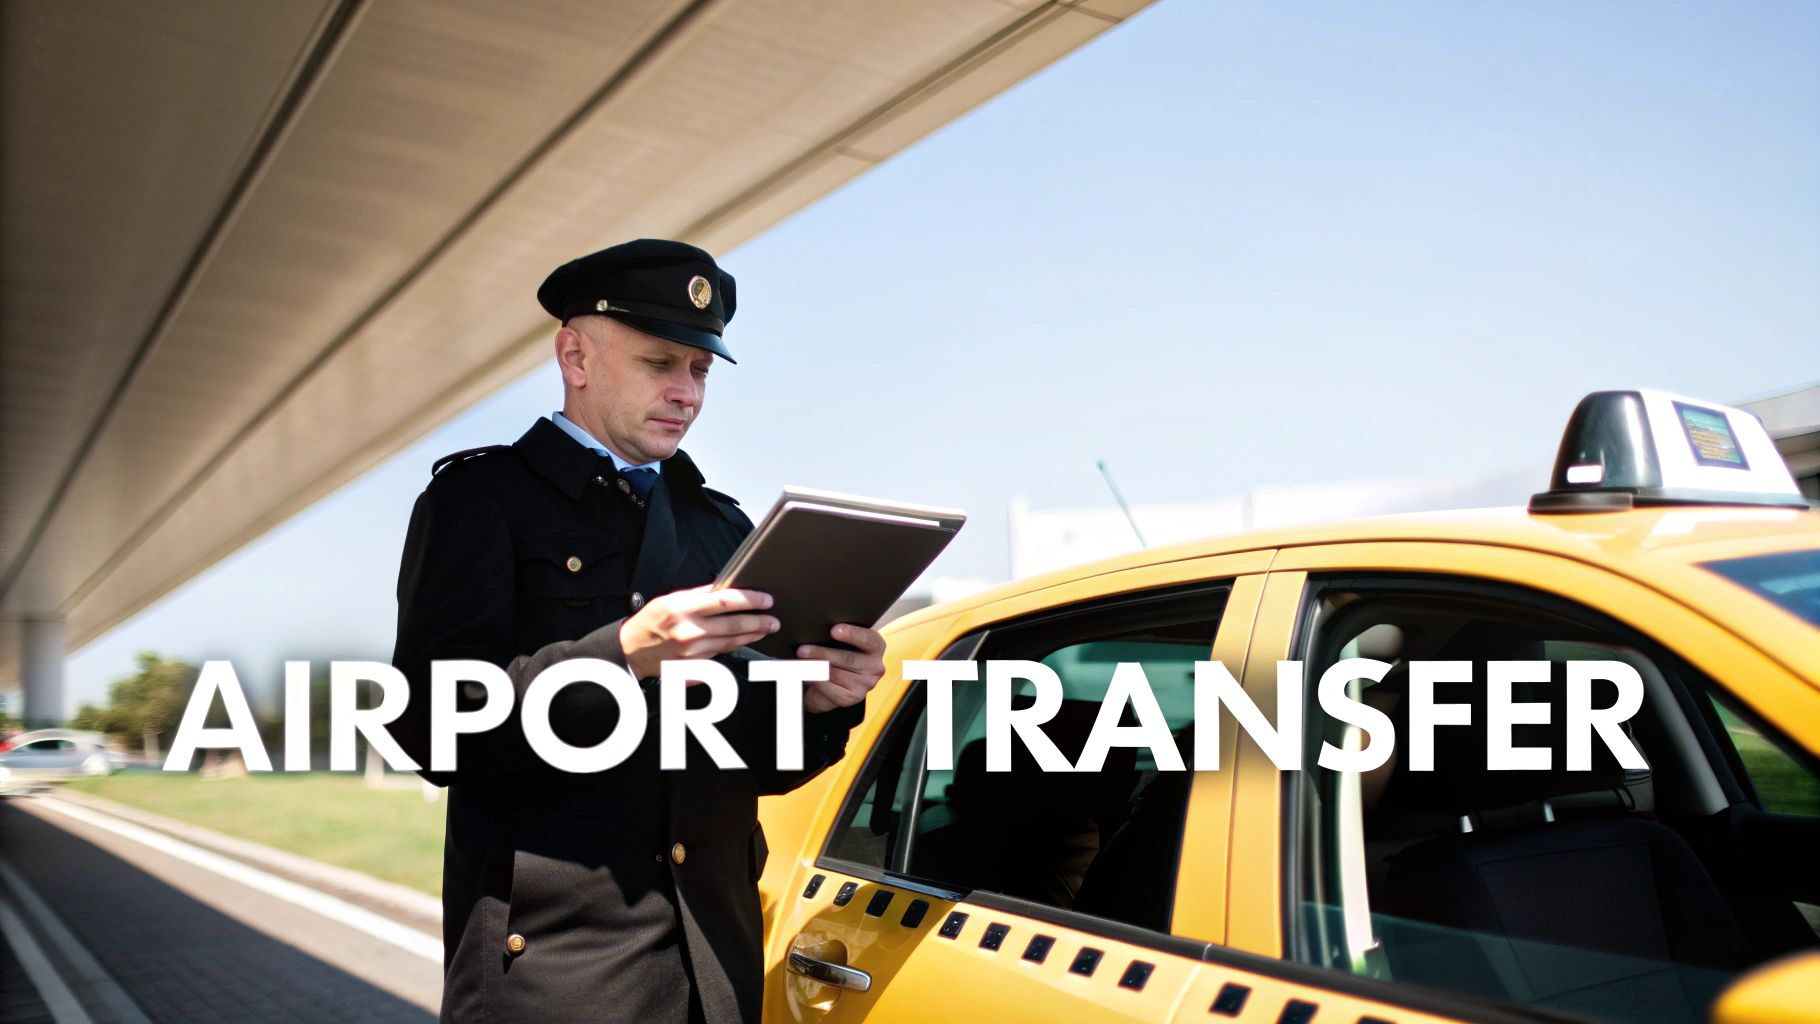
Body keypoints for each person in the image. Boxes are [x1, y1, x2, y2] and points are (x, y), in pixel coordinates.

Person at [389, 238, 887, 1024]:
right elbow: (427, 725)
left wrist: (823, 701)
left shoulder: (722, 528)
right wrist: (620, 655)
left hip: (713, 972)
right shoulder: (480, 500)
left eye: (699, 371)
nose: (686, 392)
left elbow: (757, 767)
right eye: (661, 363)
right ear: (575, 356)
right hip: (560, 980)